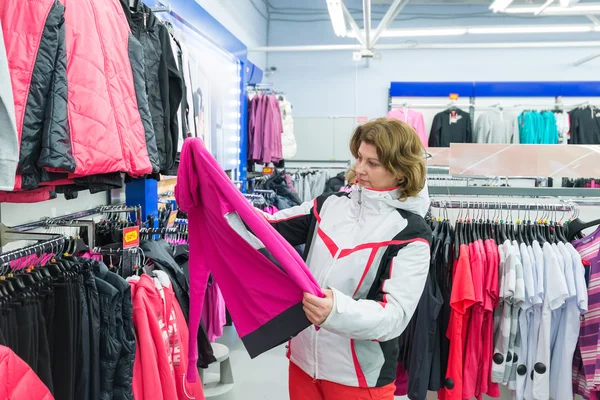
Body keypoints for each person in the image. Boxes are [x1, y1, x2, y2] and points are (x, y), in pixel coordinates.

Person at [262, 118, 433, 400]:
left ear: (401, 171)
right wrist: (217, 201)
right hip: (304, 364)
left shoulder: (411, 233)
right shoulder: (329, 205)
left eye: (373, 163)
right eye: (359, 158)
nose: (360, 169)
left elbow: (393, 316)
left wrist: (335, 312)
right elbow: (265, 227)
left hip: (359, 380)